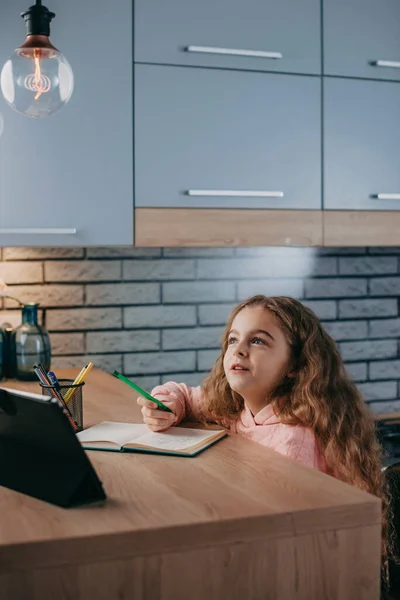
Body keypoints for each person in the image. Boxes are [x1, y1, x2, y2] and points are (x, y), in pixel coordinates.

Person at [137, 294, 393, 578]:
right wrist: (168, 405)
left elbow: (279, 533)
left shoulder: (293, 439)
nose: (239, 351)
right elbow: (185, 394)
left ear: (295, 366)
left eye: (257, 341)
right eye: (233, 340)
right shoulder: (234, 406)